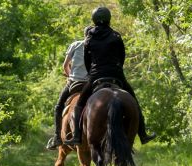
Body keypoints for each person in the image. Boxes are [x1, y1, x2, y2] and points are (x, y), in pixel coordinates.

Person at [65, 7, 156, 146]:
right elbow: (122, 56)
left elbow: (87, 60)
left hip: (96, 76)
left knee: (79, 104)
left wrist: (92, 73)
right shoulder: (116, 36)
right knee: (135, 102)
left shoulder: (89, 38)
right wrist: (116, 69)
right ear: (109, 19)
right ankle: (143, 134)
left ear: (94, 19)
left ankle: (77, 136)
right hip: (116, 74)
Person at [46, 26, 92, 150]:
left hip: (74, 82)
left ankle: (57, 137)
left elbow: (65, 65)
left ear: (84, 34)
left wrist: (69, 74)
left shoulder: (76, 44)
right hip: (91, 83)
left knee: (59, 106)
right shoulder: (97, 47)